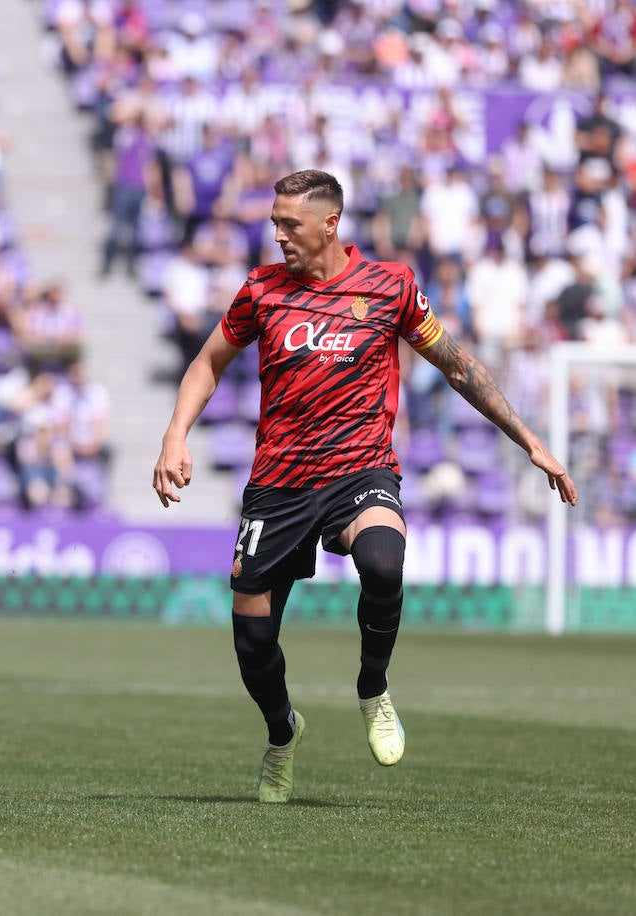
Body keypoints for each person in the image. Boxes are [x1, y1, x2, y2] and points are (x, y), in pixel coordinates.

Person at [150, 169, 579, 804]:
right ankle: (282, 732)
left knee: (384, 562)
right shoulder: (261, 290)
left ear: (330, 224)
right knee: (253, 642)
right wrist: (175, 434)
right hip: (278, 483)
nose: (277, 235)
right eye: (274, 223)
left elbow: (457, 367)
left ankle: (372, 687)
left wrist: (529, 439)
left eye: (288, 224)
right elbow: (209, 361)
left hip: (361, 468)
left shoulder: (390, 287)